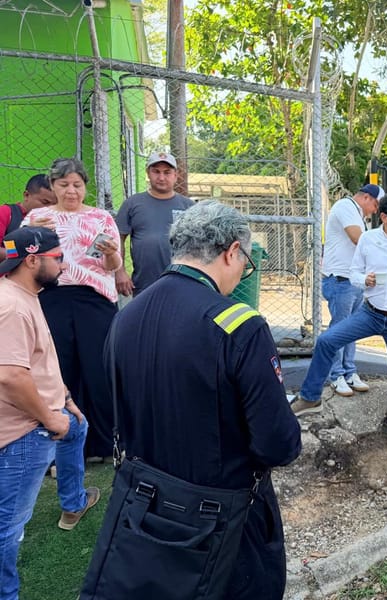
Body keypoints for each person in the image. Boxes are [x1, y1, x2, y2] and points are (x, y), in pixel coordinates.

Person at [106, 200, 301, 598]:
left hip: (145, 503)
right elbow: (278, 443)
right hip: (222, 516)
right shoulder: (240, 325)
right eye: (245, 262)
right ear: (232, 251)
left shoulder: (127, 314)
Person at [290, 193, 387, 465]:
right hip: (371, 313)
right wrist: (364, 280)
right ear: (384, 217)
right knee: (327, 340)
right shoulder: (369, 239)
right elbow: (354, 273)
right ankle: (310, 397)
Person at [0, 227, 100, 600]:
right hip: (24, 433)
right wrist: (50, 417)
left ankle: (73, 503)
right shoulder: (11, 306)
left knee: (78, 427)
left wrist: (65, 400)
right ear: (32, 260)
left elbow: (36, 363)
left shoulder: (23, 293)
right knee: (8, 526)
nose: (63, 265)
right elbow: (10, 376)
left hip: (45, 413)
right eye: (57, 258)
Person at [22, 158, 122, 460]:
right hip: (51, 297)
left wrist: (112, 254)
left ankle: (105, 444)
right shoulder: (38, 217)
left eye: (77, 185)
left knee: (99, 369)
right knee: (58, 370)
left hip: (95, 300)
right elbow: (18, 256)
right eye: (64, 185)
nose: (71, 191)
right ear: (52, 186)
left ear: (85, 188)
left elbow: (112, 266)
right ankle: (63, 442)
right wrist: (31, 237)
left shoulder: (101, 218)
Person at [322, 183, 383, 396]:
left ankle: (348, 371)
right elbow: (357, 239)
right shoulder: (345, 207)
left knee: (351, 330)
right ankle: (336, 374)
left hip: (354, 281)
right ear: (366, 197)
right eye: (375, 205)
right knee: (340, 329)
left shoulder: (357, 214)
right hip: (340, 280)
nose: (375, 210)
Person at [114, 151, 193, 297]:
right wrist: (120, 271)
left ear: (176, 175)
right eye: (156, 171)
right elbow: (117, 238)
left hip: (183, 282)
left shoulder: (189, 206)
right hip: (144, 284)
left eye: (167, 172)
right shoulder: (133, 203)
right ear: (148, 174)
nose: (161, 177)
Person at [0, 175, 56, 261]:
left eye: (55, 204)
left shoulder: (54, 221)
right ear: (26, 195)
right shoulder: (7, 213)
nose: (49, 208)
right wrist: (21, 253)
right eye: (45, 202)